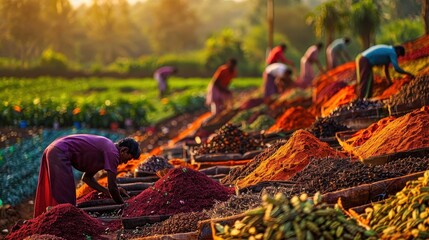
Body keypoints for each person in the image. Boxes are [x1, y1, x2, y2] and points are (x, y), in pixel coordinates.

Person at [34, 134, 141, 217]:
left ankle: (54, 218)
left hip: (55, 148)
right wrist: (125, 205)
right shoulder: (113, 153)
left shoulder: (107, 150)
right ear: (124, 150)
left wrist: (107, 192)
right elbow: (112, 187)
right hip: (59, 151)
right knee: (67, 199)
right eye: (129, 158)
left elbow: (87, 178)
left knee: (65, 196)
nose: (126, 162)